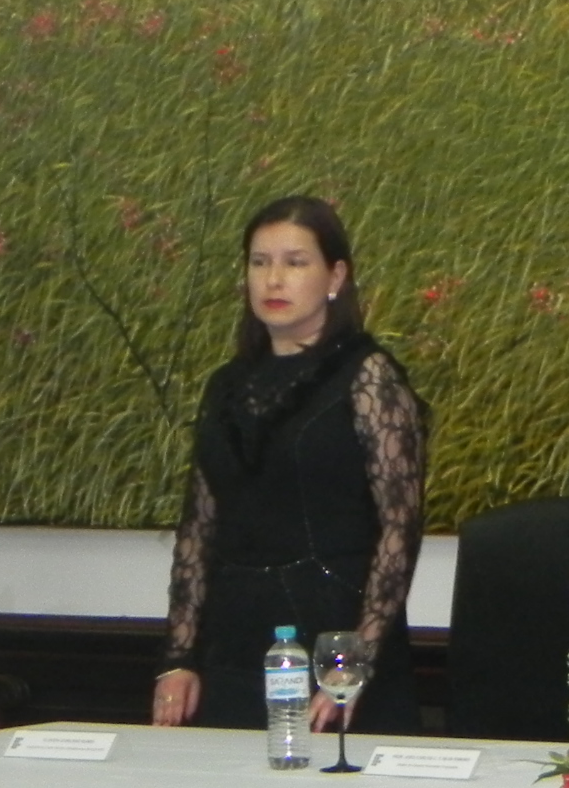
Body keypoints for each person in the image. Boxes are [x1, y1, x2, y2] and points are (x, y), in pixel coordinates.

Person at [153, 198, 427, 734]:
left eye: (295, 262)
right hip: (233, 641)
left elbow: (400, 526)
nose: (273, 279)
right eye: (260, 263)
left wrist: (356, 660)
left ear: (335, 276)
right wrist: (178, 658)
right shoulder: (226, 385)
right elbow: (199, 528)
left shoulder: (368, 377)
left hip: (337, 642)